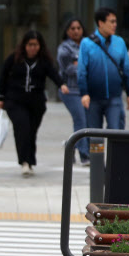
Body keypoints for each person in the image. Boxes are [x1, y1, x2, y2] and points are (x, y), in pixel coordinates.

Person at [0, 30, 69, 177]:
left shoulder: (44, 61)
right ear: (24, 45)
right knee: (22, 127)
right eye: (30, 45)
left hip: (36, 103)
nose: (32, 48)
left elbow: (53, 74)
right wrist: (0, 97)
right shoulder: (14, 59)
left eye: (35, 45)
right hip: (15, 101)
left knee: (31, 132)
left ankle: (30, 161)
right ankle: (24, 162)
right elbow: (3, 76)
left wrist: (61, 84)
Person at [78, 7, 129, 130]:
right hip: (93, 98)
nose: (115, 25)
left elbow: (126, 69)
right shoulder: (87, 43)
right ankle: (95, 150)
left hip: (115, 97)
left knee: (116, 132)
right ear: (100, 23)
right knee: (94, 136)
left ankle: (114, 151)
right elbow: (81, 71)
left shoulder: (120, 42)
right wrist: (84, 93)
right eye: (111, 21)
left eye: (115, 21)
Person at [57, 18, 90, 165]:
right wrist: (84, 66)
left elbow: (94, 64)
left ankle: (71, 145)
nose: (76, 31)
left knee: (88, 122)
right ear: (67, 31)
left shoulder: (88, 45)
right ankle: (84, 155)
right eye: (72, 28)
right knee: (80, 120)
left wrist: (80, 64)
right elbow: (68, 69)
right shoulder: (64, 48)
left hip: (86, 90)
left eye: (78, 28)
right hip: (70, 90)